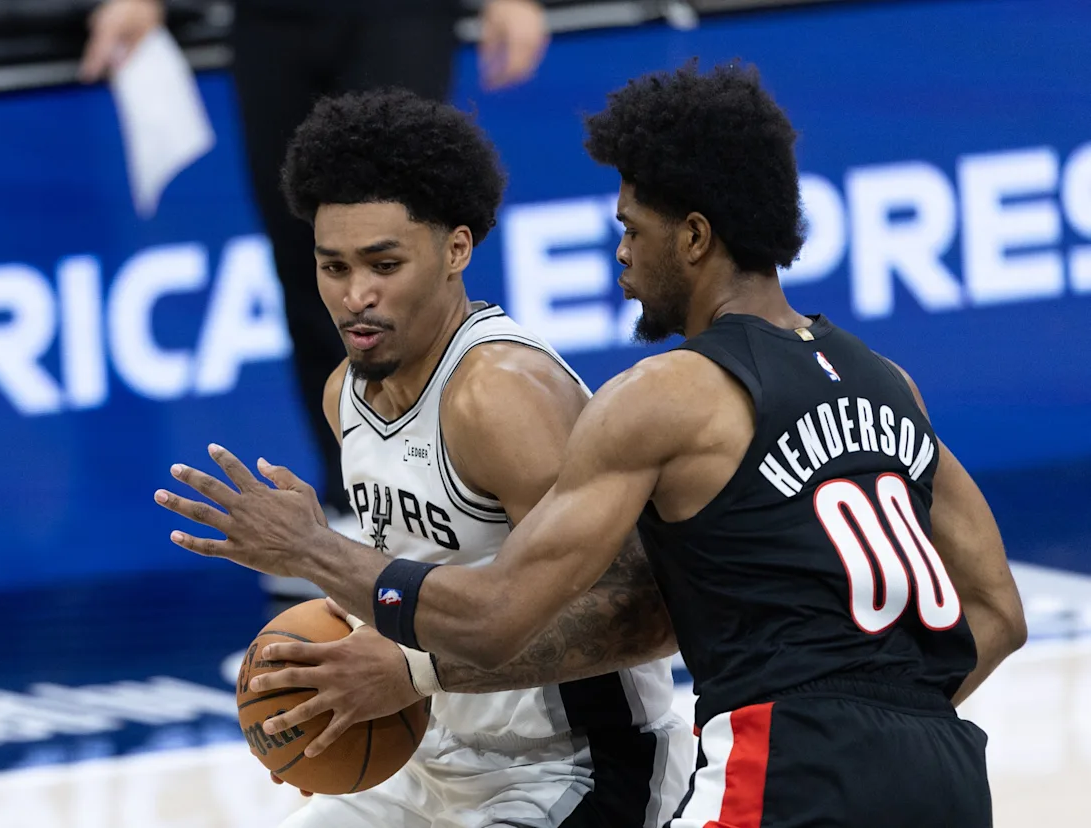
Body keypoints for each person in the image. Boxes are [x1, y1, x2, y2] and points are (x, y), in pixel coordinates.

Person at [156, 61, 1029, 826]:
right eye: (332, 265)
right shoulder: (886, 381)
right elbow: (998, 613)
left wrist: (315, 552)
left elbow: (513, 616)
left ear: (692, 236)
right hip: (940, 764)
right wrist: (888, 738)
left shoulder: (659, 394)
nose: (617, 255)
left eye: (629, 229)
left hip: (711, 764)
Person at [158, 88, 691, 826]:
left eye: (384, 264)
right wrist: (323, 705)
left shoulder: (503, 396)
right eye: (334, 267)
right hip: (429, 755)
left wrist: (395, 650)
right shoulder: (345, 392)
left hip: (578, 764)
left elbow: (641, 615)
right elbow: (417, 590)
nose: (356, 297)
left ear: (456, 250)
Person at [82, 0, 548, 535]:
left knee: (402, 243)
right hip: (272, 21)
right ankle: (356, 501)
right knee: (306, 258)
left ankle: (455, 494)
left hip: (396, 15)